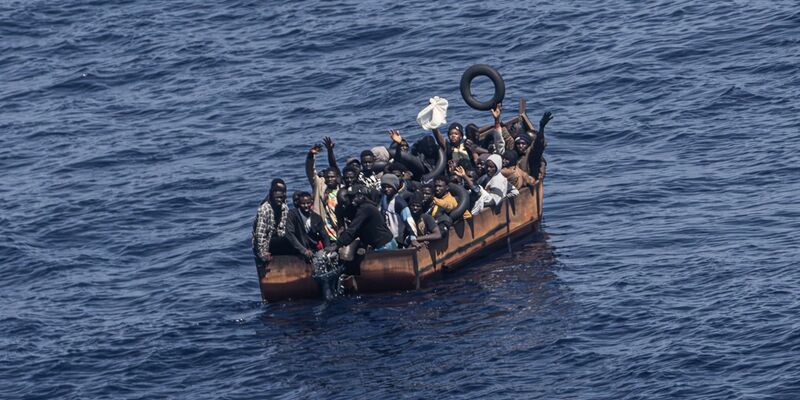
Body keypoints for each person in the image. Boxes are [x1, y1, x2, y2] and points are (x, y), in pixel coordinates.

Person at [328, 185, 397, 252]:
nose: (352, 200)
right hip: (380, 245)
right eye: (351, 197)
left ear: (361, 196)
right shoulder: (358, 209)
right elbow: (356, 231)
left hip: (385, 245)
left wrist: (338, 244)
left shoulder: (365, 208)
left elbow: (352, 229)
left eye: (354, 197)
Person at [252, 179, 291, 276]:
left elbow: (285, 227)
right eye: (277, 197)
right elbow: (260, 234)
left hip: (277, 238)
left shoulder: (284, 207)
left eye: (281, 197)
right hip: (264, 244)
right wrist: (262, 253)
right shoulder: (264, 209)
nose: (279, 200)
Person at [306, 142, 341, 241]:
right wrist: (310, 156)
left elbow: (334, 165)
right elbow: (310, 171)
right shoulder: (320, 186)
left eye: (332, 177)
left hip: (340, 231)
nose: (330, 179)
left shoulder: (342, 189)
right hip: (324, 233)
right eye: (327, 177)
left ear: (337, 177)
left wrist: (330, 151)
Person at [285, 191, 330, 260]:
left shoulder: (316, 217)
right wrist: (303, 250)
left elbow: (324, 235)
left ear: (311, 203)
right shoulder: (292, 215)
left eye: (308, 203)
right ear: (299, 204)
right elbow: (289, 234)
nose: (306, 206)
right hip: (297, 250)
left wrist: (327, 248)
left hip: (312, 250)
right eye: (303, 204)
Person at [379, 174, 418, 246]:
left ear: (394, 187)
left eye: (389, 187)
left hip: (397, 239)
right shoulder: (384, 198)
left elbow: (409, 220)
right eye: (384, 187)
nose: (386, 189)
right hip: (386, 237)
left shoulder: (399, 202)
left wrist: (413, 238)